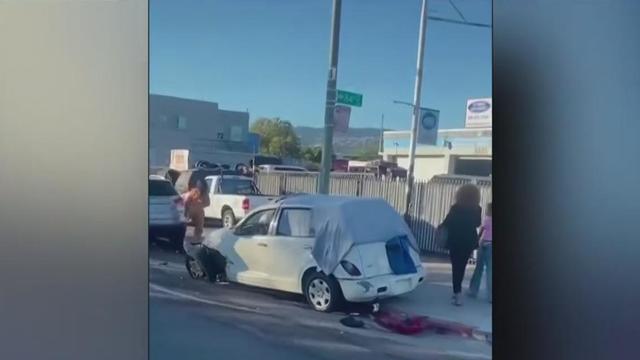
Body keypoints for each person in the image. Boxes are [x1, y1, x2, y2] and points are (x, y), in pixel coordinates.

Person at [440, 184, 482, 306]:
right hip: (468, 242)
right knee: (462, 266)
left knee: (455, 266)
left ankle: (456, 292)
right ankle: (457, 293)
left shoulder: (455, 208)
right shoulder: (476, 208)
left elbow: (447, 222)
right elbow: (477, 223)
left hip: (455, 241)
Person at [468, 202, 492, 303]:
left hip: (483, 244)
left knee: (478, 269)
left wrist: (475, 242)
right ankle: (491, 296)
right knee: (490, 271)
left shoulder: (486, 219)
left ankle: (473, 291)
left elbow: (481, 231)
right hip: (491, 245)